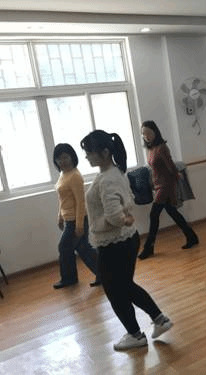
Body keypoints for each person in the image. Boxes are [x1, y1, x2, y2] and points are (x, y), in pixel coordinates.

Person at [81, 130, 173, 351]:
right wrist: (124, 218)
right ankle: (159, 320)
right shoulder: (114, 172)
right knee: (125, 286)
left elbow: (114, 216)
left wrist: (123, 219)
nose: (86, 156)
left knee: (115, 291)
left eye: (89, 152)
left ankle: (135, 334)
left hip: (115, 244)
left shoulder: (108, 178)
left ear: (104, 152)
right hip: (123, 241)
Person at [138, 120, 199, 260]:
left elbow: (171, 166)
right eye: (143, 134)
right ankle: (192, 236)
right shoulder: (151, 149)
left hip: (166, 186)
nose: (146, 136)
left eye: (148, 133)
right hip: (158, 185)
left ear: (155, 132)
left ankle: (148, 247)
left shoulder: (162, 148)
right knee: (172, 212)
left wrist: (177, 178)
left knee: (154, 215)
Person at [53, 143, 100, 289]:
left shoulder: (75, 176)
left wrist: (79, 225)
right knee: (83, 249)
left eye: (65, 157)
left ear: (72, 157)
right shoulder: (63, 174)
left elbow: (80, 202)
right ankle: (104, 273)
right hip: (69, 219)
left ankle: (69, 278)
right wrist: (60, 216)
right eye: (58, 159)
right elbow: (63, 199)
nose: (62, 161)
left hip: (76, 219)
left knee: (64, 247)